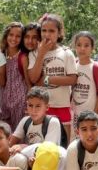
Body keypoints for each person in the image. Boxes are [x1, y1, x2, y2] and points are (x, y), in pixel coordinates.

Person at [27, 13, 77, 142]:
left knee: (63, 143)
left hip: (62, 105)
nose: (47, 34)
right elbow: (33, 78)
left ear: (59, 33)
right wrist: (42, 53)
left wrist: (46, 79)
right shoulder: (34, 54)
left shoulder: (66, 53)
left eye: (51, 31)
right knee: (43, 142)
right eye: (44, 30)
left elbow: (72, 79)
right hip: (41, 107)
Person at [0, 21, 30, 130]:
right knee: (5, 132)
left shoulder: (23, 57)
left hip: (20, 102)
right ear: (6, 35)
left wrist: (29, 103)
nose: (14, 38)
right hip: (4, 101)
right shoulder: (1, 54)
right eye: (11, 35)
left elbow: (28, 81)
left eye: (18, 36)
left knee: (19, 133)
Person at [71, 31, 98, 128]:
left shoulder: (97, 68)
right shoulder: (73, 65)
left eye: (86, 45)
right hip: (75, 116)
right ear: (75, 46)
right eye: (79, 45)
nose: (82, 48)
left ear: (92, 48)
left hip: (91, 115)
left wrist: (94, 113)